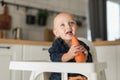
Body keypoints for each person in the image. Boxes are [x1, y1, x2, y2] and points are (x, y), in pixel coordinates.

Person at [48, 12, 93, 80]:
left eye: (71, 23)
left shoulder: (82, 45)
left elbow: (89, 63)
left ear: (76, 27)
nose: (68, 26)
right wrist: (68, 55)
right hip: (61, 77)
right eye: (62, 25)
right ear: (56, 33)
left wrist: (86, 56)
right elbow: (53, 57)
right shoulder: (57, 44)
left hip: (79, 77)